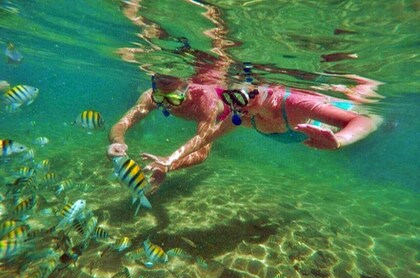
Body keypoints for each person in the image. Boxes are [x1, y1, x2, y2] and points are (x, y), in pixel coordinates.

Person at [107, 72, 383, 194]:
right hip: (310, 137)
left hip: (333, 127)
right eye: (232, 99)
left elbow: (365, 120)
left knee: (359, 98)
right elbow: (205, 138)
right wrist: (170, 160)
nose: (239, 108)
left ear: (265, 90)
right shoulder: (242, 116)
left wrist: (340, 141)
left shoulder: (296, 103)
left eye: (245, 98)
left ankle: (364, 86)